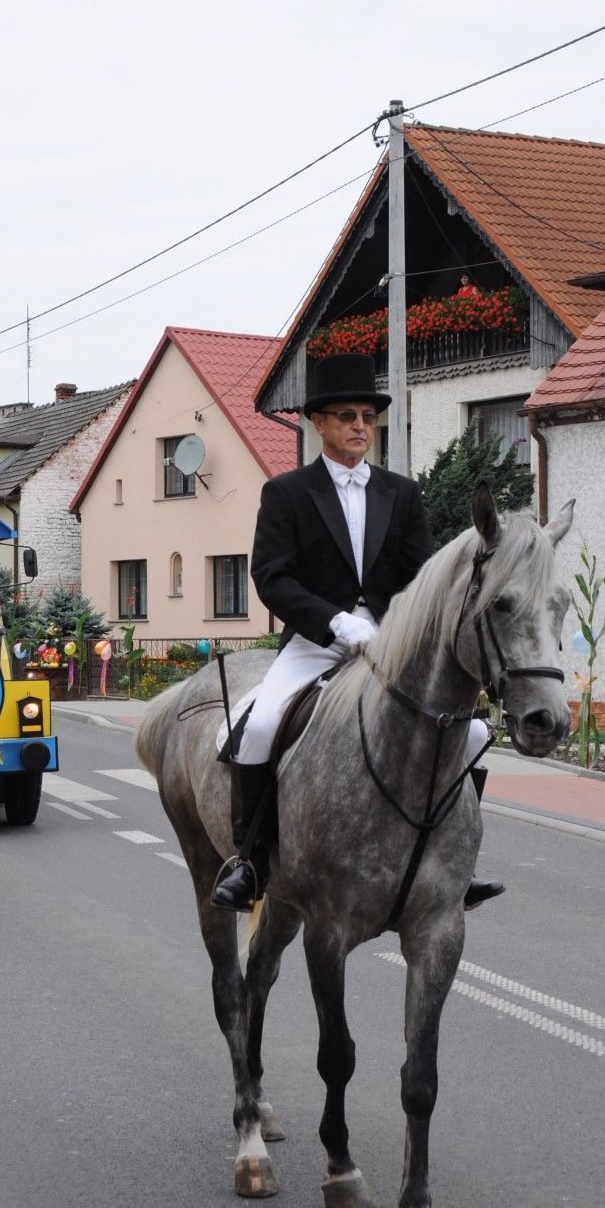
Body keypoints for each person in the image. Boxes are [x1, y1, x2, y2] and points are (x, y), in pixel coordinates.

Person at [211, 351, 501, 913]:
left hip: (390, 645)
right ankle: (252, 862)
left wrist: (393, 629)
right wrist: (335, 621)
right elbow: (271, 577)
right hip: (317, 646)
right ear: (318, 422)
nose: (360, 427)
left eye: (367, 416)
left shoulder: (402, 494)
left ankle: (454, 861)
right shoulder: (287, 493)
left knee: (470, 735)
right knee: (261, 724)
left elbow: (422, 579)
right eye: (347, 416)